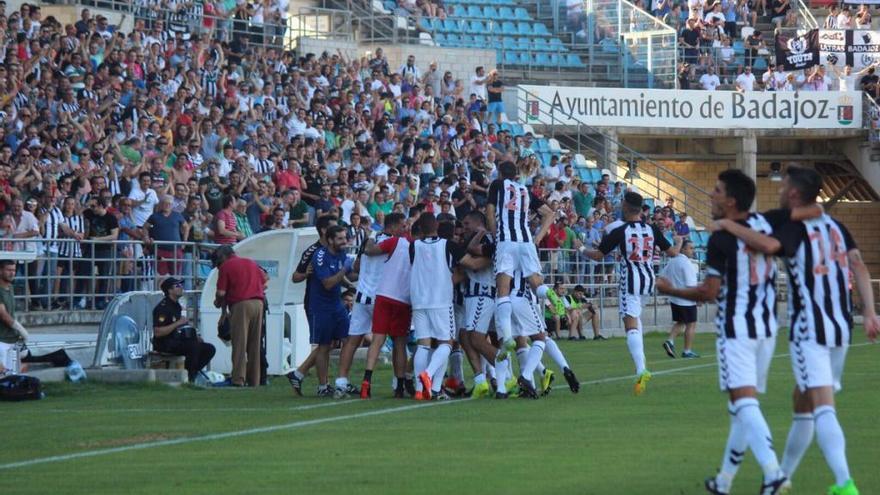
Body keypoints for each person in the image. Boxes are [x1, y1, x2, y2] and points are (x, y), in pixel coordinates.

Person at [713, 166, 880, 495]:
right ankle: (778, 481)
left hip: (810, 329)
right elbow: (858, 265)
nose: (777, 190)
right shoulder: (837, 226)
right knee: (802, 403)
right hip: (841, 326)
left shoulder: (795, 226)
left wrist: (728, 225)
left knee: (822, 406)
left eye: (782, 185)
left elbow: (768, 245)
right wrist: (871, 312)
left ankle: (844, 483)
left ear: (792, 193)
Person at [656, 169, 788, 495]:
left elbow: (709, 293)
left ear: (730, 200)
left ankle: (774, 472)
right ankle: (724, 482)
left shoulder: (721, 238)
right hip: (766, 328)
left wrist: (672, 290)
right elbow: (774, 246)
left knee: (743, 402)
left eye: (716, 190)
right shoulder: (763, 225)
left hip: (737, 328)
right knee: (740, 407)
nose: (710, 195)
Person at [582, 191, 682, 395]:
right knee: (636, 319)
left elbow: (599, 256)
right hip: (648, 280)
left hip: (630, 280)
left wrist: (581, 248)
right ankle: (642, 365)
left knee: (630, 325)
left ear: (626, 207)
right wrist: (679, 242)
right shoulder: (652, 229)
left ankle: (641, 369)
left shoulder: (621, 231)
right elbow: (672, 253)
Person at [486, 161, 554, 361]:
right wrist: (538, 237)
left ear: (500, 173)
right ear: (515, 174)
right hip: (526, 241)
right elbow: (550, 213)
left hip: (506, 239)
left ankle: (507, 337)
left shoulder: (497, 185)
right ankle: (549, 295)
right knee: (535, 281)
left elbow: (490, 213)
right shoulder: (524, 190)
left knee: (503, 289)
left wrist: (494, 233)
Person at [333, 216, 395, 398]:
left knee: (353, 340)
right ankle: (388, 381)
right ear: (394, 226)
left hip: (361, 296)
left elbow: (357, 266)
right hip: (379, 297)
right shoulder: (395, 243)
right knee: (385, 339)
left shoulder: (369, 240)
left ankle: (341, 382)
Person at [411, 213, 465, 400]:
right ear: (436, 225)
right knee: (446, 343)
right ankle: (429, 377)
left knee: (423, 345)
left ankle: (421, 390)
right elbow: (464, 265)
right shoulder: (447, 245)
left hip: (419, 301)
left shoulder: (414, 246)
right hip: (440, 301)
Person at [360, 213, 413, 399]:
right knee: (399, 343)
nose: (405, 227)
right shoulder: (414, 245)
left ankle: (367, 381)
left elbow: (370, 251)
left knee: (378, 340)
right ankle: (399, 385)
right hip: (403, 299)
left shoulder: (393, 242)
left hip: (384, 295)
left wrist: (369, 239)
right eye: (403, 225)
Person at [287, 215, 339, 395]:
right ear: (325, 231)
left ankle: (300, 374)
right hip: (316, 303)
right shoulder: (312, 251)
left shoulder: (335, 250)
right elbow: (295, 277)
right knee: (323, 344)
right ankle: (321, 384)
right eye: (334, 227)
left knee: (330, 343)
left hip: (333, 302)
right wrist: (306, 273)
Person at [308, 225, 355, 397]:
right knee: (324, 345)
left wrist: (359, 275)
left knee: (349, 340)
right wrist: (345, 270)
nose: (345, 242)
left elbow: (345, 275)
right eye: (340, 239)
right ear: (330, 240)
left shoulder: (340, 253)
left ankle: (343, 381)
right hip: (321, 307)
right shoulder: (320, 256)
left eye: (345, 238)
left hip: (336, 304)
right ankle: (323, 386)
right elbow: (327, 283)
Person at [213, 245, 267, 387]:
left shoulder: (226, 266)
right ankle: (254, 380)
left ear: (222, 257)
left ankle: (238, 379)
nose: (218, 267)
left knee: (239, 344)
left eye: (218, 263)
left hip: (241, 305)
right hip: (258, 303)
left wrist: (218, 303)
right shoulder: (251, 262)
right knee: (254, 345)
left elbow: (221, 293)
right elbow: (265, 280)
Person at [152, 277, 215, 382]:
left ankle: (191, 373)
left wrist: (195, 335)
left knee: (209, 349)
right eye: (177, 286)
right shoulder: (162, 308)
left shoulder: (176, 306)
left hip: (176, 340)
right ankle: (189, 378)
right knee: (193, 347)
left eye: (181, 285)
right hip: (164, 342)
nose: (181, 288)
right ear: (169, 290)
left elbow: (180, 326)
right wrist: (177, 323)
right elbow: (158, 332)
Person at [659, 239, 699, 359]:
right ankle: (687, 350)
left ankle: (670, 341)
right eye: (690, 248)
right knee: (691, 324)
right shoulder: (686, 263)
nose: (693, 251)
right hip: (686, 299)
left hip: (675, 298)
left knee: (680, 322)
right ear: (683, 249)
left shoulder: (672, 261)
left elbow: (662, 276)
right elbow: (691, 284)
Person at [0, 260, 29, 376]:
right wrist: (21, 329)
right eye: (9, 270)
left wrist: (19, 334)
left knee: (14, 377)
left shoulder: (10, 288)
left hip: (13, 340)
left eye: (14, 270)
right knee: (3, 378)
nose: (12, 273)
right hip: (1, 341)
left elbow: (11, 314)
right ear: (0, 271)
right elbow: (3, 314)